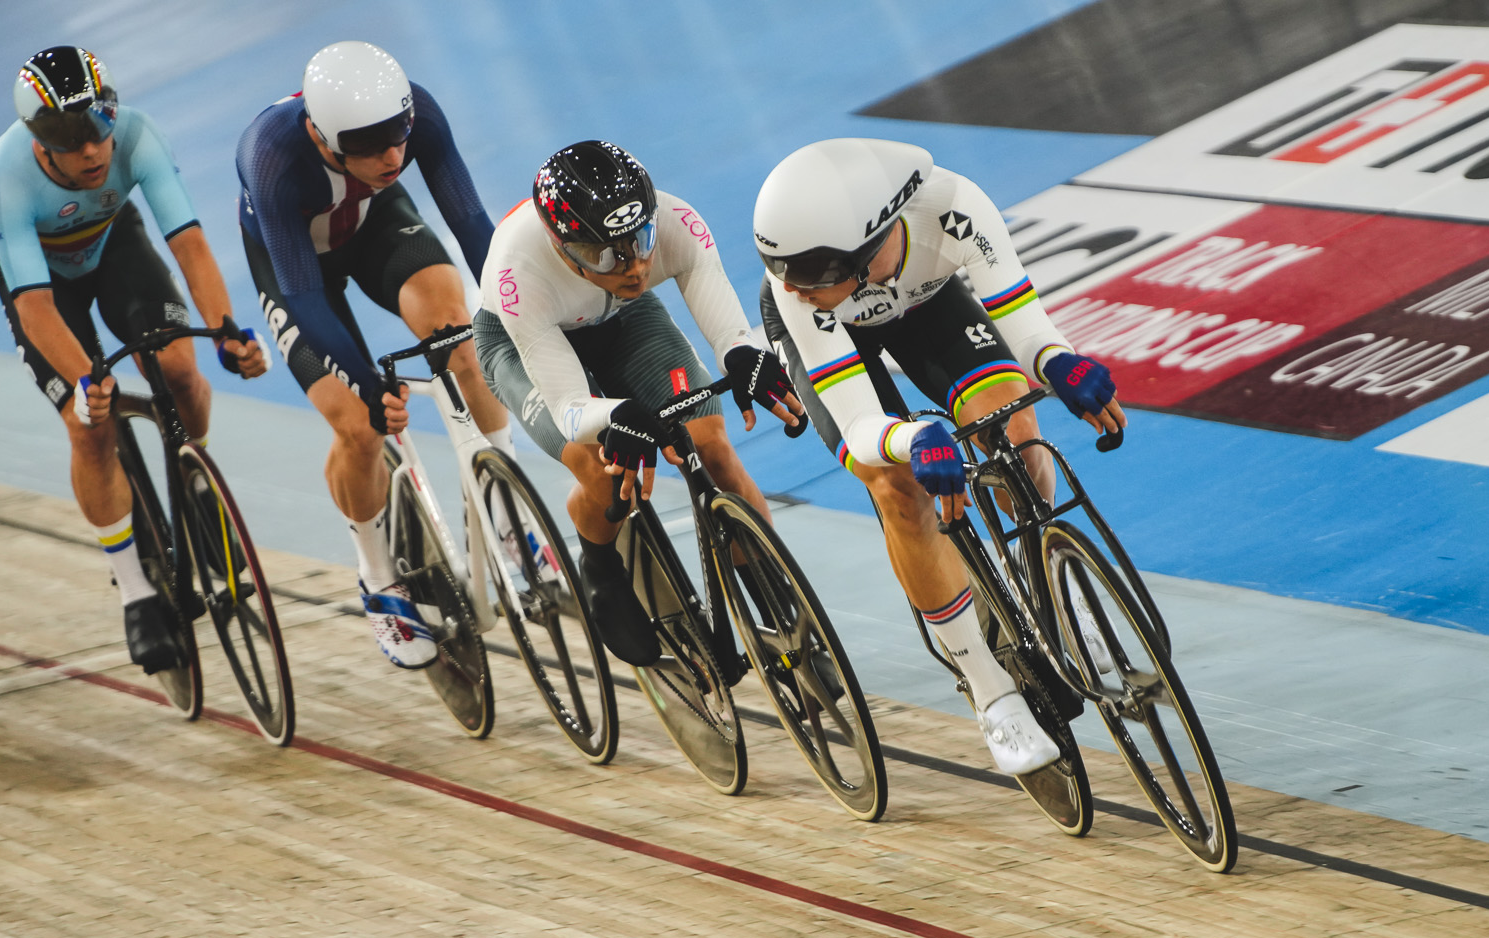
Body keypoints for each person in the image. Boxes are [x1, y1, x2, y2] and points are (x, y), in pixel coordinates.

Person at [755, 138, 1125, 777]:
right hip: (836, 345)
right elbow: (860, 422)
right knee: (898, 488)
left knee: (1013, 423)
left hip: (925, 306)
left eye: (813, 274)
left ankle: (1048, 590)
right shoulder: (799, 293)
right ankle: (989, 691)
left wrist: (1059, 362)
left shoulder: (954, 207)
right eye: (784, 270)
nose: (795, 286)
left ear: (873, 241)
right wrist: (913, 439)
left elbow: (1025, 324)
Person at [0, 47, 267, 677]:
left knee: (181, 368)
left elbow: (190, 246)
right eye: (71, 141)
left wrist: (225, 332)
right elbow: (33, 310)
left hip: (115, 250)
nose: (92, 152)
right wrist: (86, 380)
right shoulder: (5, 172)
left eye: (100, 130)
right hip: (46, 290)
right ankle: (136, 591)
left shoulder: (138, 135)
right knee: (90, 426)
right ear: (40, 142)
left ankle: (194, 477)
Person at [475, 140, 804, 668]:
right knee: (603, 474)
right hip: (521, 341)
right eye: (606, 253)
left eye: (640, 240)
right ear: (563, 247)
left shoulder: (674, 223)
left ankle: (789, 625)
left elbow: (727, 323)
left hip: (620, 319)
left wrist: (746, 356)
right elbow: (570, 409)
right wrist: (614, 416)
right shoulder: (519, 276)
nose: (634, 266)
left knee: (713, 448)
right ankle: (600, 562)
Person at [237, 41, 508, 670]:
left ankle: (506, 521)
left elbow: (472, 225)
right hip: (293, 266)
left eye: (399, 138)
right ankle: (378, 576)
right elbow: (304, 295)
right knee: (359, 427)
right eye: (371, 146)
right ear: (319, 134)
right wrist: (368, 386)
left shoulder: (418, 120)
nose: (393, 157)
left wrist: (509, 310)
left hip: (373, 223)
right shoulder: (271, 155)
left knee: (461, 334)